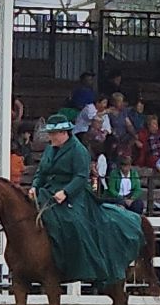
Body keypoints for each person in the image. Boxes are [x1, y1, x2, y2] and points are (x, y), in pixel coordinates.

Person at [27, 112, 145, 286]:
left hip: (76, 195)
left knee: (74, 222)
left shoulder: (78, 151)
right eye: (50, 134)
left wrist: (65, 192)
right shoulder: (49, 150)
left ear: (63, 133)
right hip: (49, 191)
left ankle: (84, 264)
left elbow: (81, 177)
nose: (50, 137)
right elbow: (41, 172)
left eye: (53, 134)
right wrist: (34, 186)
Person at [100, 149, 145, 215]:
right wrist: (122, 199)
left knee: (138, 204)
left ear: (130, 165)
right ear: (121, 166)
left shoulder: (134, 173)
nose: (125, 168)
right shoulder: (114, 173)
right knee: (120, 204)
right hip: (117, 196)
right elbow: (112, 190)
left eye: (127, 165)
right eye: (124, 165)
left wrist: (132, 199)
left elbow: (138, 189)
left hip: (130, 196)